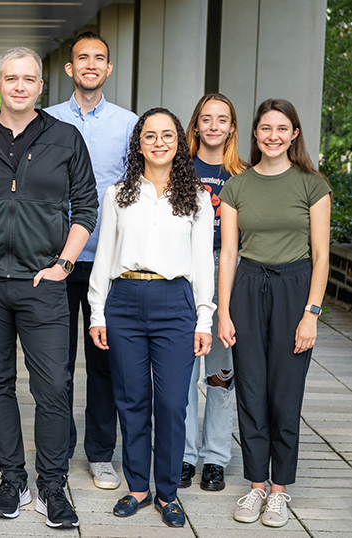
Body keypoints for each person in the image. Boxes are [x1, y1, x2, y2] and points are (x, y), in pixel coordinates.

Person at [0, 46, 97, 529]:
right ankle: (13, 479)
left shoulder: (65, 138)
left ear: (40, 87)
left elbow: (87, 207)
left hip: (43, 284)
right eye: (11, 78)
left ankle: (52, 485)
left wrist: (64, 264)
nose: (20, 86)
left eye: (29, 79)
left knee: (54, 386)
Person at [88, 107, 214, 528]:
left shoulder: (196, 196)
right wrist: (97, 312)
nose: (158, 143)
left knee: (174, 402)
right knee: (132, 399)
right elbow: (103, 255)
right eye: (149, 136)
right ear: (137, 143)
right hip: (124, 299)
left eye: (167, 136)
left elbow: (202, 263)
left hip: (175, 302)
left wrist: (204, 320)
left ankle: (168, 493)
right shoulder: (118, 193)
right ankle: (137, 487)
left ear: (179, 142)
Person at [218, 99, 331, 528]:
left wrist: (311, 313)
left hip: (293, 287)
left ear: (294, 134)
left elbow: (321, 257)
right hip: (248, 286)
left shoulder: (312, 185)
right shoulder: (237, 186)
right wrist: (224, 313)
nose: (273, 136)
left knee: (285, 394)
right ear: (255, 133)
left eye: (282, 128)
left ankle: (280, 489)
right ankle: (255, 486)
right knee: (250, 390)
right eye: (265, 128)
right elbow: (228, 254)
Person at [44, 31, 137, 490]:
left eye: (99, 58)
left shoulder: (129, 124)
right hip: (57, 262)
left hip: (109, 263)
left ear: (108, 68)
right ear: (70, 68)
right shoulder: (45, 121)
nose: (91, 64)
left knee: (104, 363)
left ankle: (101, 454)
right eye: (83, 58)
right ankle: (57, 452)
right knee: (56, 363)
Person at [179, 93, 247, 492]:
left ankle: (216, 457)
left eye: (223, 119)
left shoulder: (244, 175)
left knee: (221, 374)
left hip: (227, 271)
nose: (214, 126)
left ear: (232, 127)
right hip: (186, 269)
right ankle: (185, 455)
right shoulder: (179, 169)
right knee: (183, 371)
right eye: (207, 119)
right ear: (196, 125)